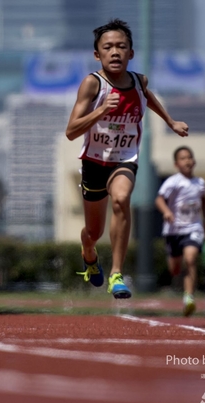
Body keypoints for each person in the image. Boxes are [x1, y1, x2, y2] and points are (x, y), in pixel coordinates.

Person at [66, 19, 189, 298]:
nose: (115, 52)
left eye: (121, 46)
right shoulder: (92, 84)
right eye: (108, 47)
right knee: (93, 232)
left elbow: (148, 97)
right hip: (94, 162)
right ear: (97, 54)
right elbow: (71, 131)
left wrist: (170, 122)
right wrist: (100, 112)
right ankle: (88, 253)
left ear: (131, 53)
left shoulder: (138, 81)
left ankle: (117, 275)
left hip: (124, 158)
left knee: (121, 199)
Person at [155, 146, 205, 316]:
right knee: (175, 269)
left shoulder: (200, 183)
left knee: (190, 259)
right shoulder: (173, 181)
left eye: (189, 157)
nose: (187, 161)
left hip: (193, 228)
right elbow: (159, 199)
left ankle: (189, 298)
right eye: (183, 158)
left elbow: (204, 200)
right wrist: (166, 212)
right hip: (173, 231)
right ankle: (183, 286)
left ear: (194, 161)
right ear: (176, 164)